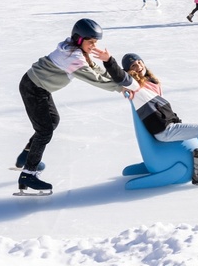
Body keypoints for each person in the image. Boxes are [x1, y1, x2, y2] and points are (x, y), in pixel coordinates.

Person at [15, 18, 137, 194]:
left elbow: (96, 70)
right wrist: (119, 87)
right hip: (33, 88)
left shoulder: (77, 50)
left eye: (95, 42)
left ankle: (27, 155)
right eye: (91, 42)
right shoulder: (73, 57)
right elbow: (94, 79)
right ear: (79, 39)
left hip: (40, 87)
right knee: (45, 130)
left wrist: (119, 77)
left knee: (52, 121)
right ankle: (28, 174)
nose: (93, 46)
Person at [122, 53, 198, 185]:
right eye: (133, 65)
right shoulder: (137, 87)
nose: (138, 66)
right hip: (165, 130)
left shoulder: (152, 83)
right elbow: (124, 82)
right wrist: (124, 87)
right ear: (129, 72)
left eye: (139, 62)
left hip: (167, 126)